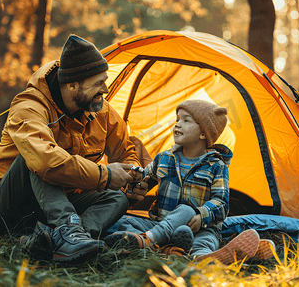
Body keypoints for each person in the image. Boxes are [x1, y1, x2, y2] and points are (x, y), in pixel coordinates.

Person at [0, 34, 149, 263]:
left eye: (105, 79)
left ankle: (71, 239)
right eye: (98, 82)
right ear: (72, 85)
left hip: (59, 202)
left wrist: (133, 178)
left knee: (116, 198)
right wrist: (107, 174)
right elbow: (45, 161)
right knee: (37, 160)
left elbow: (127, 151)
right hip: (5, 208)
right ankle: (67, 231)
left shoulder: (101, 110)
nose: (106, 88)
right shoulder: (29, 106)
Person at [104, 99, 272, 264]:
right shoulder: (163, 158)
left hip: (198, 229)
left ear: (204, 133)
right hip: (161, 223)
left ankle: (197, 256)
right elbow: (144, 180)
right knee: (121, 222)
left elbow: (221, 203)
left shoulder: (216, 166)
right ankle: (168, 249)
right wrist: (137, 180)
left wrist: (201, 216)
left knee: (202, 235)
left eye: (186, 120)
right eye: (177, 119)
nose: (177, 124)